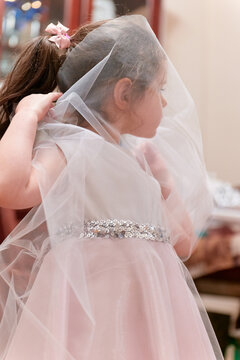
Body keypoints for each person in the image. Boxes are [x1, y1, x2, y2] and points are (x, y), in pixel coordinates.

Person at [0, 15, 223, 360]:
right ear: (123, 93)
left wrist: (164, 185)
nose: (165, 102)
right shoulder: (72, 149)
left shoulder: (141, 159)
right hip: (90, 308)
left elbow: (182, 241)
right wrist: (25, 116)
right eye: (159, 89)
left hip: (150, 310)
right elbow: (9, 187)